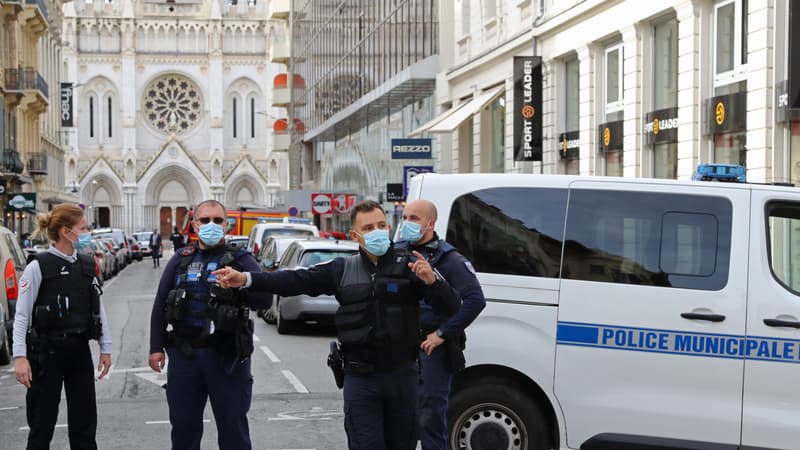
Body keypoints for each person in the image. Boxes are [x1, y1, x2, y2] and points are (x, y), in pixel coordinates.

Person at [213, 200, 461, 450]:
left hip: (402, 378)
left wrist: (433, 281)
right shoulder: (342, 269)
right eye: (368, 228)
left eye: (381, 225)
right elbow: (296, 280)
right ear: (355, 235)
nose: (377, 231)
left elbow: (453, 307)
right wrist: (246, 278)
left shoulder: (411, 266)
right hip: (361, 379)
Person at [148, 199, 270, 450]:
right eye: (205, 220)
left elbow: (264, 299)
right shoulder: (180, 259)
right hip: (185, 356)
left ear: (227, 225)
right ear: (194, 224)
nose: (211, 225)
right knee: (183, 430)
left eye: (217, 220)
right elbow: (161, 302)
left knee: (233, 430)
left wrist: (238, 285)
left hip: (227, 357)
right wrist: (156, 347)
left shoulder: (241, 259)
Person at [12, 204, 112, 450]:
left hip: (79, 352)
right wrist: (20, 357)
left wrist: (105, 348)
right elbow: (22, 315)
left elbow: (99, 309)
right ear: (67, 232)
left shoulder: (87, 266)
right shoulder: (38, 267)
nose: (88, 232)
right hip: (46, 355)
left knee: (85, 425)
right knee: (41, 425)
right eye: (84, 228)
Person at [397, 199, 486, 450]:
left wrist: (442, 334)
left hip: (431, 350)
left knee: (430, 420)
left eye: (414, 219)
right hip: (401, 347)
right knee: (402, 418)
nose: (407, 223)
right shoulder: (397, 251)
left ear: (430, 223)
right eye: (404, 217)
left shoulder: (449, 258)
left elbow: (475, 301)